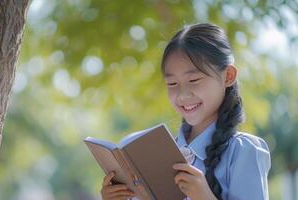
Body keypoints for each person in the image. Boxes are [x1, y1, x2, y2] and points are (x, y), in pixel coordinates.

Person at [100, 22, 271, 200]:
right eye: (172, 83)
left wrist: (205, 197)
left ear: (228, 76)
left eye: (194, 80)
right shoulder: (155, 154)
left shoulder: (243, 151)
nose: (182, 95)